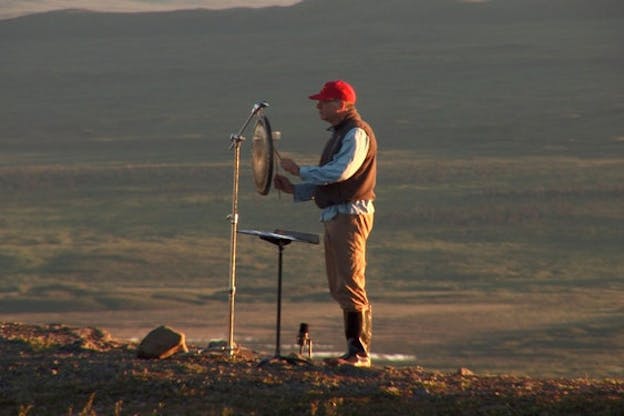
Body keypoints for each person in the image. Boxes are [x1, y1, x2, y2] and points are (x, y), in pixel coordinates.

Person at [273, 80, 378, 367]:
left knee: (351, 281)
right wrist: (295, 189)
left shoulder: (356, 133)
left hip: (349, 215)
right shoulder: (344, 133)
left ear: (341, 105)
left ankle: (359, 353)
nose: (318, 106)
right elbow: (332, 182)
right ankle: (354, 351)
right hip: (337, 214)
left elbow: (341, 173)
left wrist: (302, 171)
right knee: (341, 283)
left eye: (324, 101)